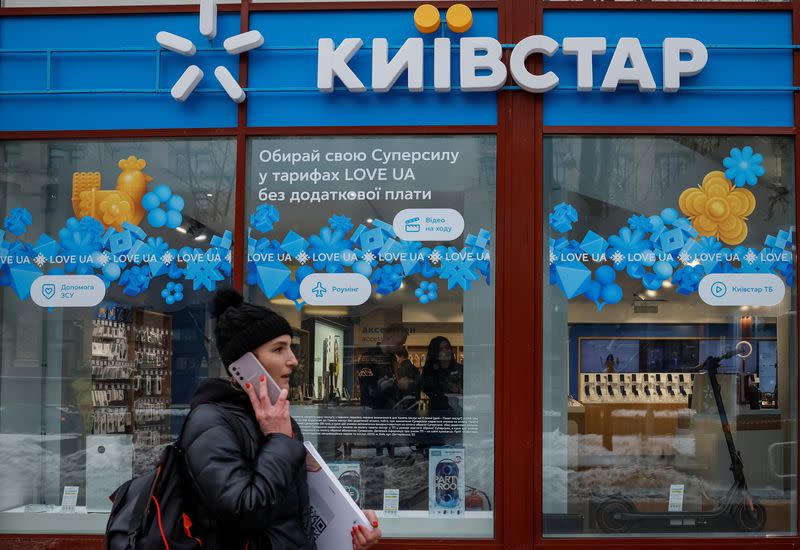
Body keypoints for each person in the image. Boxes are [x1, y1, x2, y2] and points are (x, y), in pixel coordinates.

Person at [180, 288, 382, 549]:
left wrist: (349, 526)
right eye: (279, 349)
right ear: (243, 364)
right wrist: (277, 439)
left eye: (291, 347)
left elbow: (295, 515)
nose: (293, 360)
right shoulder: (209, 422)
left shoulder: (281, 419)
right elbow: (244, 514)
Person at [356, 323, 409, 410]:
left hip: (390, 413)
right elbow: (368, 393)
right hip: (375, 415)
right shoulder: (368, 358)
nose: (401, 348)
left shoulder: (392, 359)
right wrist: (397, 385)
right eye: (399, 343)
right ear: (388, 338)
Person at [421, 337, 463, 413]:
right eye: (441, 349)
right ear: (435, 353)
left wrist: (459, 389)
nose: (446, 351)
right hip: (437, 413)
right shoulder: (430, 371)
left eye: (447, 347)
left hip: (457, 412)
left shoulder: (460, 369)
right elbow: (428, 389)